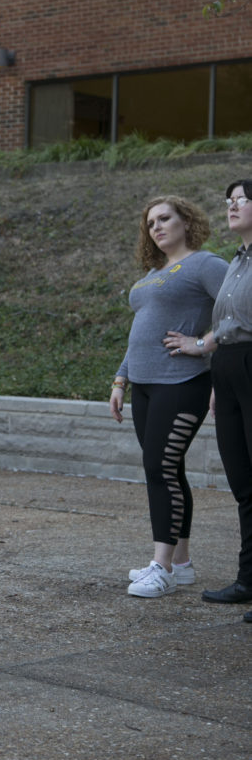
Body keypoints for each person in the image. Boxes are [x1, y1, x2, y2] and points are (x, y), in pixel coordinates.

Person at [110, 195, 228, 598]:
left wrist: (202, 342)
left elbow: (239, 310)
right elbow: (143, 329)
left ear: (186, 221)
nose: (156, 227)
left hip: (182, 384)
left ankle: (160, 568)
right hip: (143, 385)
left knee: (159, 469)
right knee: (170, 469)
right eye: (150, 223)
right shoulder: (154, 273)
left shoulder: (206, 264)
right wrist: (120, 380)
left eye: (164, 219)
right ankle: (181, 565)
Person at [201, 179, 252, 622]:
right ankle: (248, 580)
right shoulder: (237, 260)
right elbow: (227, 325)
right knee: (244, 484)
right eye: (229, 200)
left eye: (241, 200)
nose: (232, 206)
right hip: (230, 369)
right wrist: (218, 376)